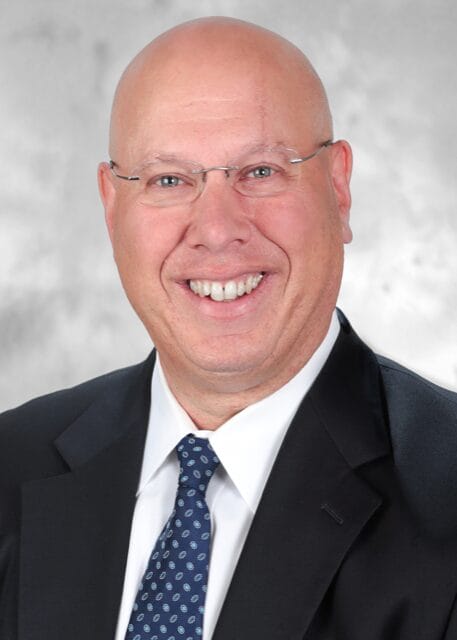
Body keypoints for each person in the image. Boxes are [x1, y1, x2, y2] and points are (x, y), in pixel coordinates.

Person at [1, 16, 457, 640]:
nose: (217, 230)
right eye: (168, 180)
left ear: (338, 188)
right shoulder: (12, 463)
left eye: (261, 171)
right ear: (112, 206)